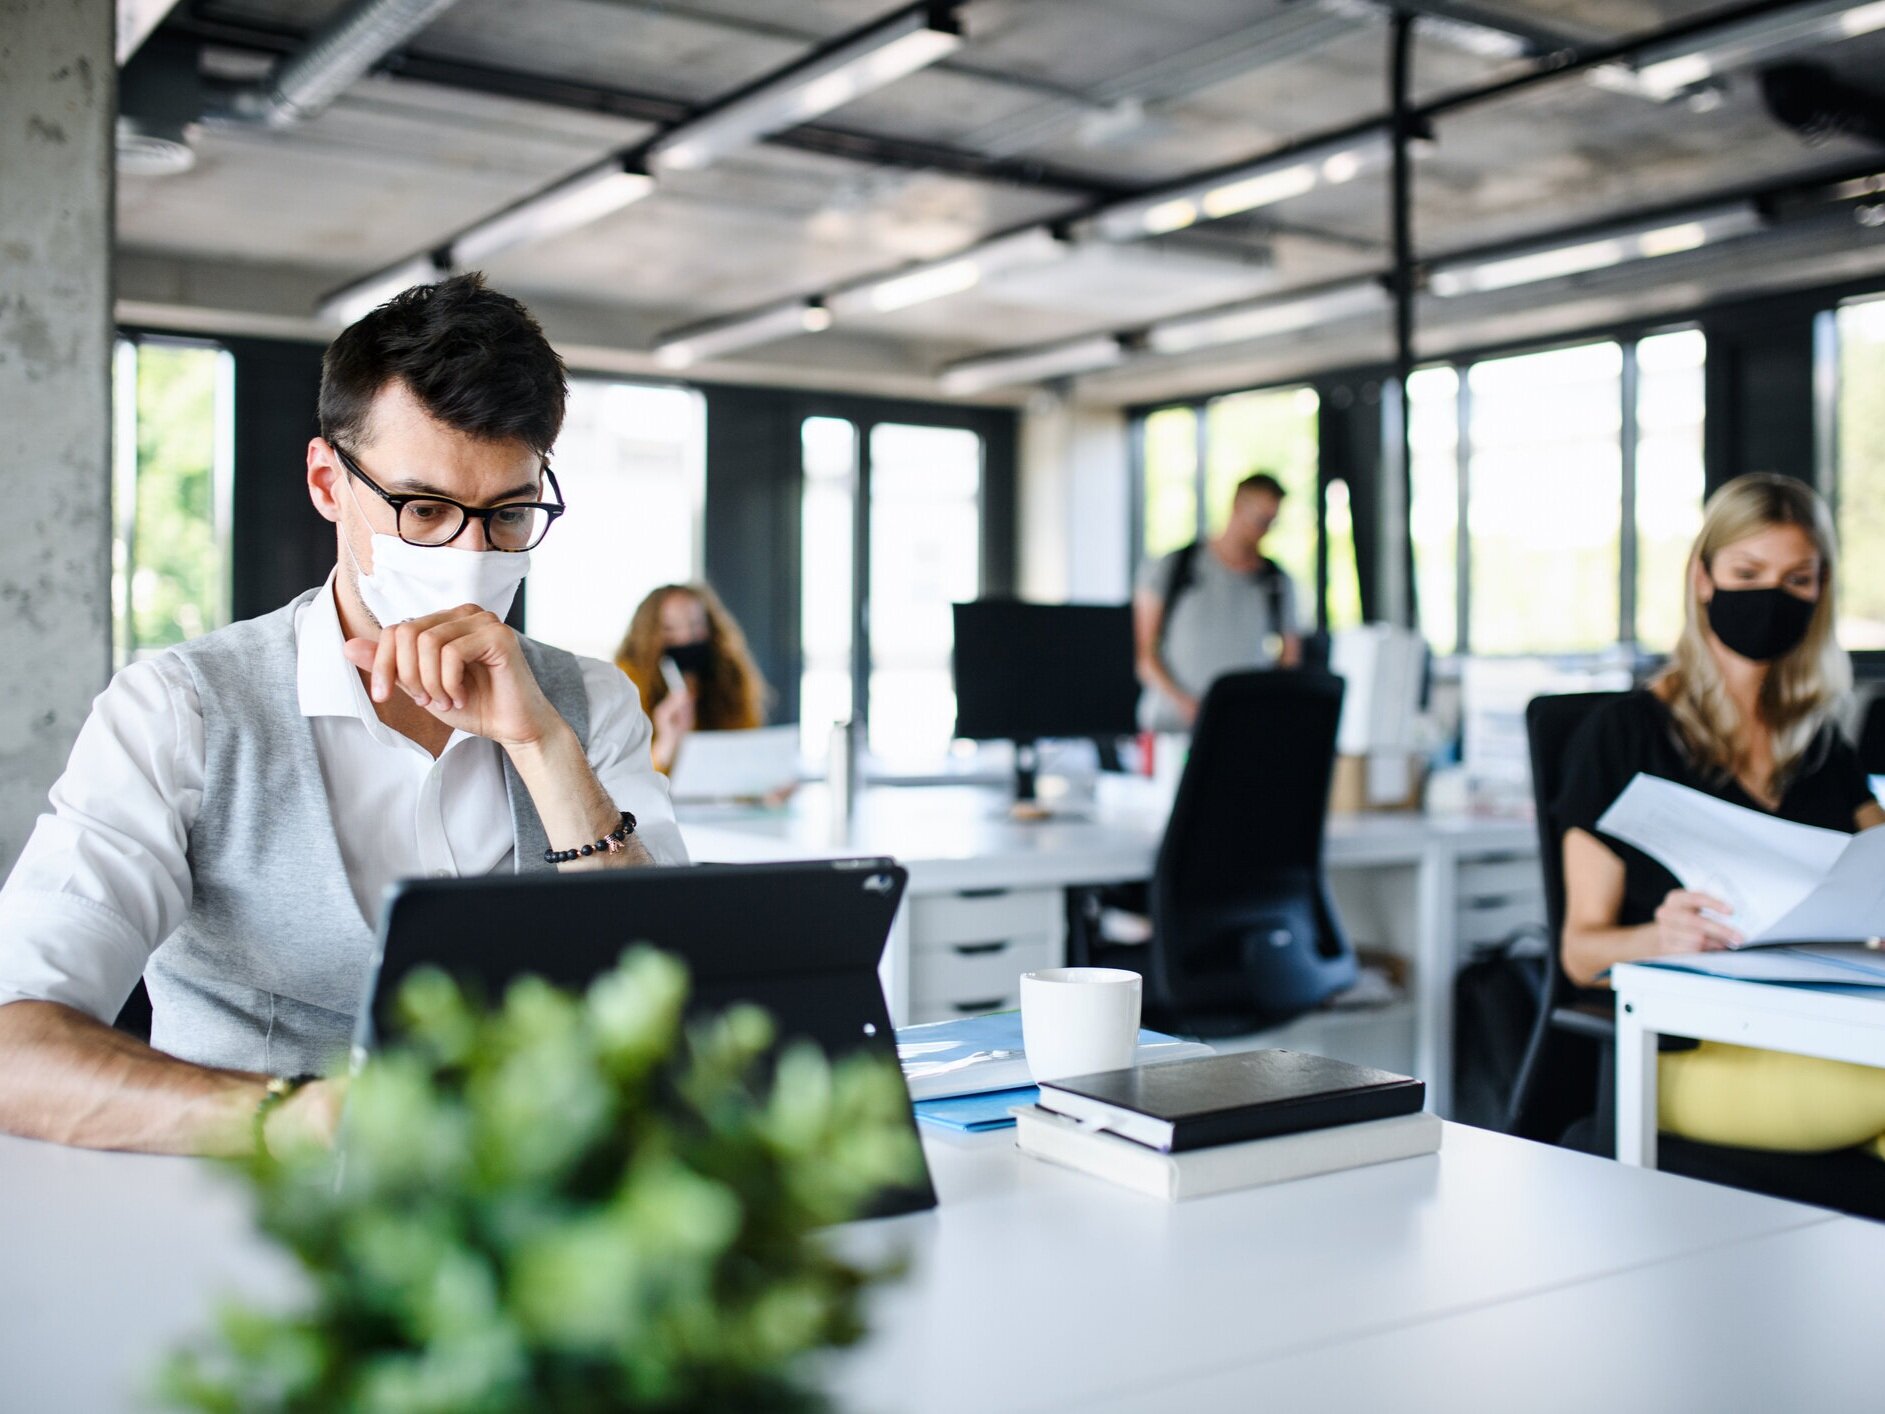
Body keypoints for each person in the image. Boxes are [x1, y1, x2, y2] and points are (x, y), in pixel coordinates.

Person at [0, 274, 687, 1158]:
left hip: (537, 1235)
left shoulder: (590, 705)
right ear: (328, 481)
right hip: (240, 1230)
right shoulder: (179, 711)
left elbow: (673, 1005)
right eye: (424, 510)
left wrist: (542, 747)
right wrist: (318, 1121)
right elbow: (15, 1042)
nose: (469, 556)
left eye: (510, 516)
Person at [1557, 472, 1885, 1155]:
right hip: (1692, 1054)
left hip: (1829, 1030)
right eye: (1747, 571)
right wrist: (1657, 936)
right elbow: (1578, 954)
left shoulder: (1820, 744)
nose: (1773, 594)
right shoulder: (1623, 735)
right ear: (1701, 578)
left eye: (1798, 579)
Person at [1134, 471, 1303, 731]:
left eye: (1272, 522)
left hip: (1243, 728)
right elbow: (1146, 658)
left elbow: (1290, 659)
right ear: (1237, 507)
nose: (1264, 530)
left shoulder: (1276, 581)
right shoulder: (1174, 567)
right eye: (1260, 519)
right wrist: (1187, 705)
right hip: (1173, 727)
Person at [615, 583, 771, 774]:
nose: (685, 637)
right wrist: (668, 741)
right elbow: (624, 783)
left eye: (696, 625)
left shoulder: (728, 679)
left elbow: (747, 751)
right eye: (669, 628)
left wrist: (764, 780)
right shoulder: (624, 686)